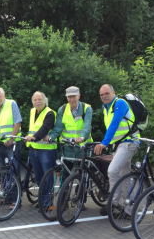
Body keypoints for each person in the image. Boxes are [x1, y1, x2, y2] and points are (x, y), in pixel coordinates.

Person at [94, 84, 140, 216]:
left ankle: (113, 203)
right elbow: (112, 128)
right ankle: (129, 211)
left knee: (112, 170)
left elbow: (114, 124)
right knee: (125, 177)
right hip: (119, 145)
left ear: (114, 92)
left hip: (129, 142)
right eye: (101, 95)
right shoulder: (105, 107)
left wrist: (104, 143)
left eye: (106, 93)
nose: (104, 96)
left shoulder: (120, 103)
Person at [44, 86, 93, 210]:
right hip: (68, 147)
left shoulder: (87, 108)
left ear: (79, 96)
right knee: (65, 174)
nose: (72, 99)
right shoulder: (63, 109)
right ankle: (63, 201)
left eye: (74, 96)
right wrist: (51, 137)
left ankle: (80, 200)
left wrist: (82, 137)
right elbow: (59, 127)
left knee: (82, 175)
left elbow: (87, 125)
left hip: (83, 146)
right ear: (67, 97)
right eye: (69, 97)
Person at [24, 91, 57, 210]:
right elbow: (33, 128)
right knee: (38, 177)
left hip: (46, 150)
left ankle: (48, 203)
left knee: (47, 178)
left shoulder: (50, 113)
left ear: (45, 101)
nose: (37, 102)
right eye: (35, 100)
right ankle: (43, 200)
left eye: (40, 99)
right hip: (34, 149)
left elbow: (45, 128)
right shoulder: (32, 111)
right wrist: (28, 138)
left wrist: (33, 138)